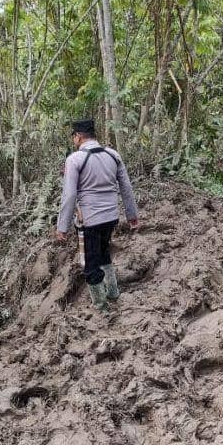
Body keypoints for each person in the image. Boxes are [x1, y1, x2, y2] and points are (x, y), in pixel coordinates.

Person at [55, 119, 139, 312]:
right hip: (111, 217)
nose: (73, 140)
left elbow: (69, 195)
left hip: (90, 220)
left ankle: (101, 306)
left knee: (91, 263)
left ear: (78, 136)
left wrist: (62, 227)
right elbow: (126, 187)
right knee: (103, 252)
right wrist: (132, 215)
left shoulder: (74, 159)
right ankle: (113, 292)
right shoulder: (113, 155)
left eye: (73, 136)